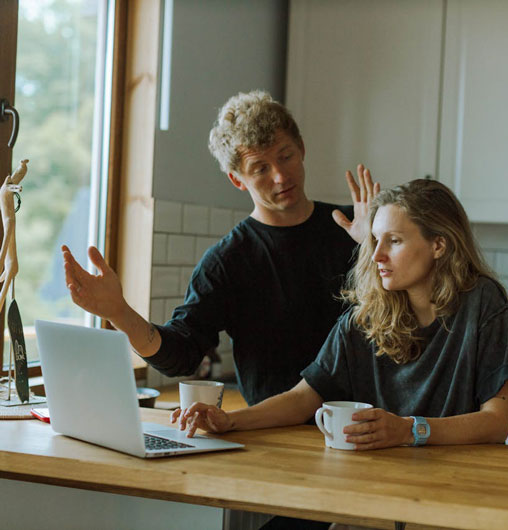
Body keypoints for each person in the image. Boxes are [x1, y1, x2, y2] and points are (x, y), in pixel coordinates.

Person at [62, 90, 378, 410]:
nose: (281, 176)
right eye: (260, 168)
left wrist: (374, 246)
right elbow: (182, 357)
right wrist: (119, 313)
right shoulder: (228, 262)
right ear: (237, 180)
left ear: (302, 149)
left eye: (285, 156)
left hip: (370, 422)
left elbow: (410, 316)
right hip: (275, 432)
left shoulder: (355, 228)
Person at [174, 179, 508, 451]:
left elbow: (496, 423)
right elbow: (303, 398)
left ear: (438, 244)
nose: (376, 256)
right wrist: (229, 421)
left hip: (458, 484)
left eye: (394, 241)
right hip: (377, 485)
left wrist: (409, 429)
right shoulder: (366, 316)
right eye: (374, 241)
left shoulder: (482, 302)